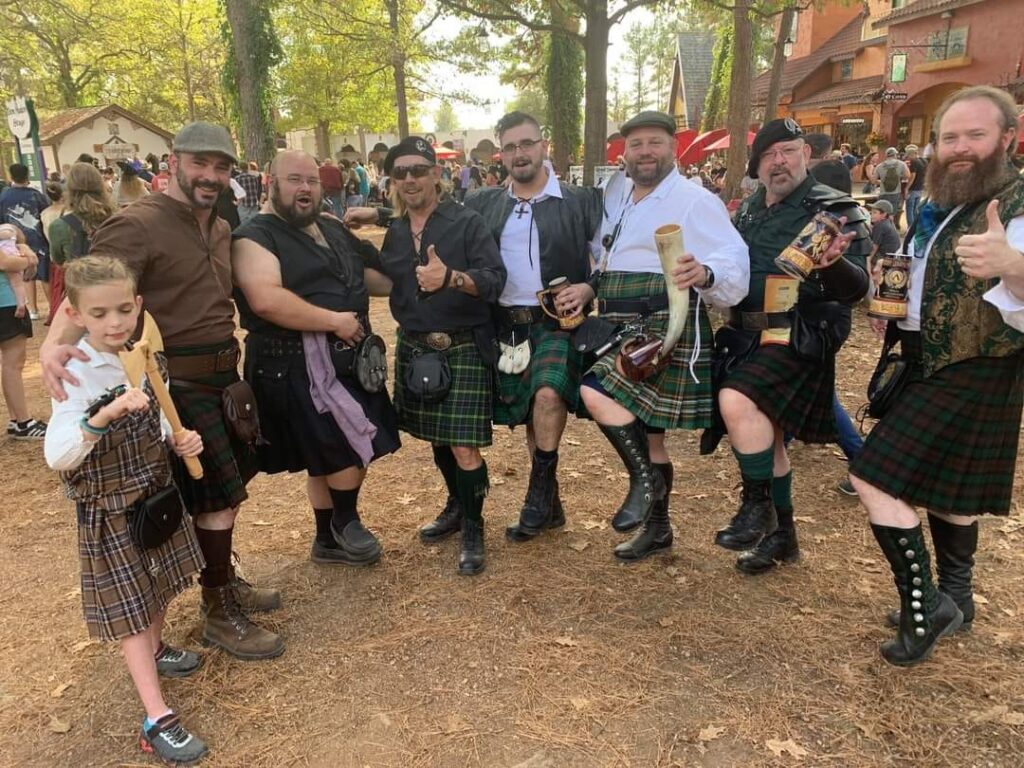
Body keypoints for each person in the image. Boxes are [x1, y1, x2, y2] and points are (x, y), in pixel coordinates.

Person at [40, 121, 283, 661]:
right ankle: (219, 610)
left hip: (226, 376)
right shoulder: (138, 224)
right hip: (175, 382)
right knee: (217, 497)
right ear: (173, 162)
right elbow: (90, 284)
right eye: (200, 164)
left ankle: (223, 580)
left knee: (224, 493)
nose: (211, 176)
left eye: (221, 167)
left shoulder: (221, 225)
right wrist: (51, 346)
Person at [850, 85, 1024, 666]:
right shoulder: (940, 201)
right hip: (927, 352)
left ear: (1007, 137)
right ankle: (956, 594)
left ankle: (926, 609)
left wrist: (1013, 266)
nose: (960, 148)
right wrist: (893, 308)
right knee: (954, 487)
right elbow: (927, 272)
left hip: (979, 363)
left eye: (975, 135)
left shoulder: (1017, 200)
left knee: (875, 476)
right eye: (950, 137)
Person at [43, 256, 209, 766]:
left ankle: (159, 652)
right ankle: (156, 717)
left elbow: (157, 417)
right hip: (111, 509)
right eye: (99, 313)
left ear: (138, 306)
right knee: (132, 613)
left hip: (152, 494)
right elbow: (58, 454)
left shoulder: (142, 354)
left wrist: (178, 441)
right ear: (75, 313)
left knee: (155, 586)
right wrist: (103, 414)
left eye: (123, 310)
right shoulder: (73, 371)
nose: (114, 323)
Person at [580, 111, 750, 561]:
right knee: (651, 435)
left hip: (662, 323)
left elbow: (734, 259)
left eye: (654, 143)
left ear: (673, 148)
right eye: (636, 145)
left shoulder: (695, 200)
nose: (645, 153)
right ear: (624, 152)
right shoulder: (617, 196)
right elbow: (607, 255)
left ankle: (643, 480)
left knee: (594, 390)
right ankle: (658, 528)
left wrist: (708, 272)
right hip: (618, 322)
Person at [232, 150, 400, 565]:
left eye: (312, 180)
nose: (305, 188)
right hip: (292, 360)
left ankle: (326, 538)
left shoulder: (330, 227)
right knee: (342, 444)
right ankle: (346, 520)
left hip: (350, 355)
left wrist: (399, 237)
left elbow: (375, 280)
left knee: (326, 451)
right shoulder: (253, 236)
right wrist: (332, 322)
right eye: (294, 180)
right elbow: (266, 300)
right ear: (271, 182)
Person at [347, 137, 506, 574]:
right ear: (392, 179)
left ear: (437, 173)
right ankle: (457, 505)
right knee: (438, 438)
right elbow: (390, 274)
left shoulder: (468, 223)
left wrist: (451, 278)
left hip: (461, 344)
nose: (411, 179)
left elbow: (494, 281)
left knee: (464, 447)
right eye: (401, 172)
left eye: (419, 170)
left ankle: (474, 527)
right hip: (416, 346)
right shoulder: (397, 229)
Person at [720, 118, 870, 574]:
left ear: (806, 153)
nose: (778, 161)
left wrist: (835, 264)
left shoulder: (836, 208)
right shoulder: (748, 209)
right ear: (757, 165)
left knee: (738, 399)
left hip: (802, 330)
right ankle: (784, 537)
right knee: (770, 437)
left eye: (787, 150)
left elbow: (858, 289)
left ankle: (757, 504)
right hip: (746, 332)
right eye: (768, 155)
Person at [464, 111, 601, 543]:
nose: (519, 153)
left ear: (544, 147)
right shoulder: (482, 203)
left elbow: (612, 260)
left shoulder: (581, 201)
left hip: (556, 322)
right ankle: (551, 505)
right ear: (501, 154)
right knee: (529, 415)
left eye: (527, 144)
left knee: (546, 395)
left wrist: (588, 288)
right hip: (502, 324)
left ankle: (537, 493)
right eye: (510, 147)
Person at [46, 163, 118, 324]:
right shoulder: (119, 218)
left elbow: (57, 260)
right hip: (119, 291)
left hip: (82, 299)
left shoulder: (60, 226)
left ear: (69, 190)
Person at [0, 225, 46, 440]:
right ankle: (23, 421)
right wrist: (28, 258)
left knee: (12, 364)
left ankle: (16, 419)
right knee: (13, 363)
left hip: (8, 302)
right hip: (6, 304)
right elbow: (5, 262)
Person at [0, 162, 50, 320]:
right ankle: (52, 307)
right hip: (38, 239)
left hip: (15, 244)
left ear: (11, 175)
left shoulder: (4, 196)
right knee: (45, 275)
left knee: (26, 277)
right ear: (27, 175)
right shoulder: (36, 195)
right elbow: (45, 214)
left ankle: (33, 309)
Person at [871, 147, 910, 228]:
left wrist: (882, 181)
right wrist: (898, 177)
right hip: (895, 193)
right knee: (892, 213)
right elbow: (907, 176)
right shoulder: (902, 164)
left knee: (881, 212)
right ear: (895, 154)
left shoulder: (880, 166)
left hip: (883, 193)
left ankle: (880, 229)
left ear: (886, 155)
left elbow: (873, 180)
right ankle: (891, 229)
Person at [904, 144, 926, 229]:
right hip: (920, 188)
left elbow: (912, 176)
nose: (908, 158)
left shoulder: (914, 162)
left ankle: (910, 228)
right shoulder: (923, 161)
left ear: (911, 154)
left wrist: (907, 188)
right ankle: (916, 227)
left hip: (913, 189)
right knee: (915, 210)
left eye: (908, 155)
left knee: (909, 210)